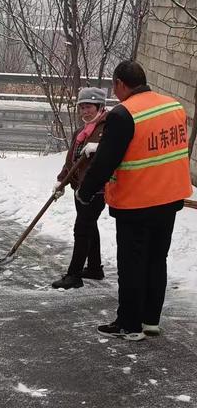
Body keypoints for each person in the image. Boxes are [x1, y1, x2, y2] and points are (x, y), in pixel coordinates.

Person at [76, 61, 192, 341]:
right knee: (156, 259)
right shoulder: (173, 107)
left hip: (137, 202)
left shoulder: (124, 114)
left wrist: (86, 189)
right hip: (170, 197)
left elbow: (106, 160)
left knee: (132, 264)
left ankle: (129, 324)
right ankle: (151, 320)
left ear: (119, 84)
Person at [51, 87, 108, 290]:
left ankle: (74, 275)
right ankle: (94, 268)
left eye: (89, 107)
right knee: (90, 226)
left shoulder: (107, 128)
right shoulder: (81, 133)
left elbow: (116, 152)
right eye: (82, 107)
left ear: (100, 107)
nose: (85, 112)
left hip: (96, 190)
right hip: (79, 189)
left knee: (81, 229)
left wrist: (100, 148)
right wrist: (61, 182)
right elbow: (71, 163)